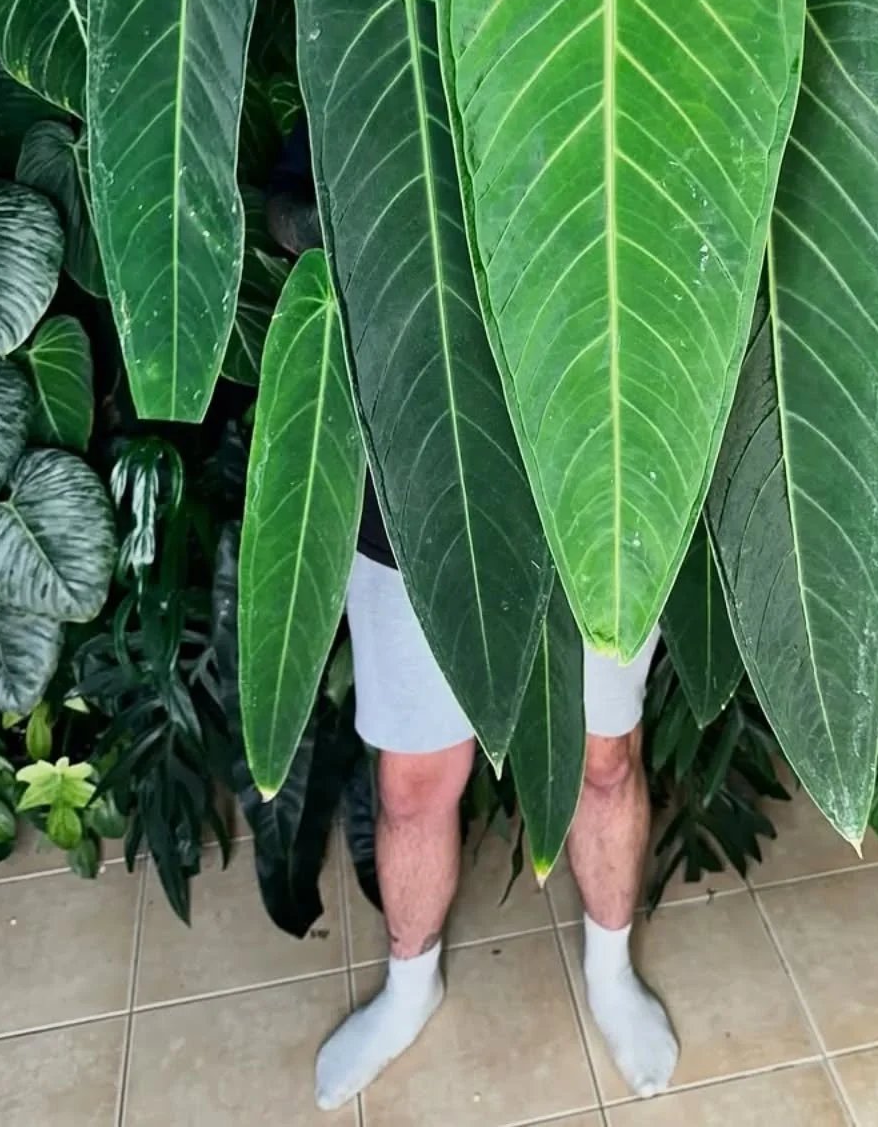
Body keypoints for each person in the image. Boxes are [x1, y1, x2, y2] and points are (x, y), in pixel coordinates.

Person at [267, 124, 680, 1112]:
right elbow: (293, 204)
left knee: (603, 756)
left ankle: (612, 973)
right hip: (418, 482)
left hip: (596, 470)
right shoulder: (393, 14)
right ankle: (412, 986)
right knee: (415, 780)